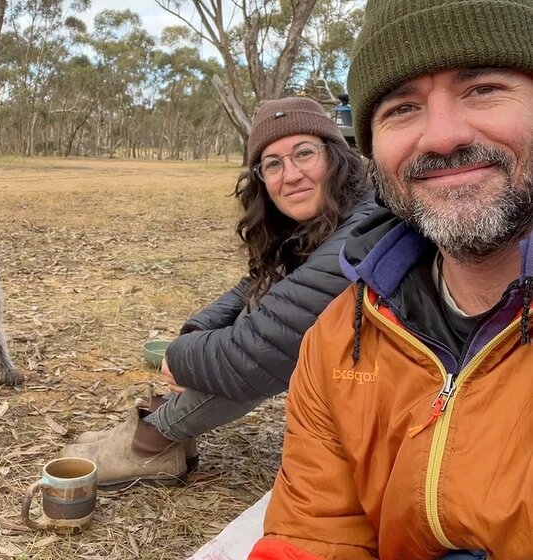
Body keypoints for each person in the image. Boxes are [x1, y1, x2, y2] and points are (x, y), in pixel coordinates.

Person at [248, 0, 533, 558]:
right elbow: (313, 536)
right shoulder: (340, 340)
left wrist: (183, 363)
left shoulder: (351, 242)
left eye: (483, 89)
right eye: (402, 108)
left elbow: (251, 345)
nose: (442, 137)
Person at [59, 97, 376, 488]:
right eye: (273, 164)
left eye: (304, 153)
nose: (291, 175)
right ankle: (166, 425)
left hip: (394, 403)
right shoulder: (329, 215)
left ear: (336, 157)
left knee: (255, 353)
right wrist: (197, 330)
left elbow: (261, 350)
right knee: (253, 319)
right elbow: (258, 286)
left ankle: (152, 442)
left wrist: (182, 357)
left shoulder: (363, 234)